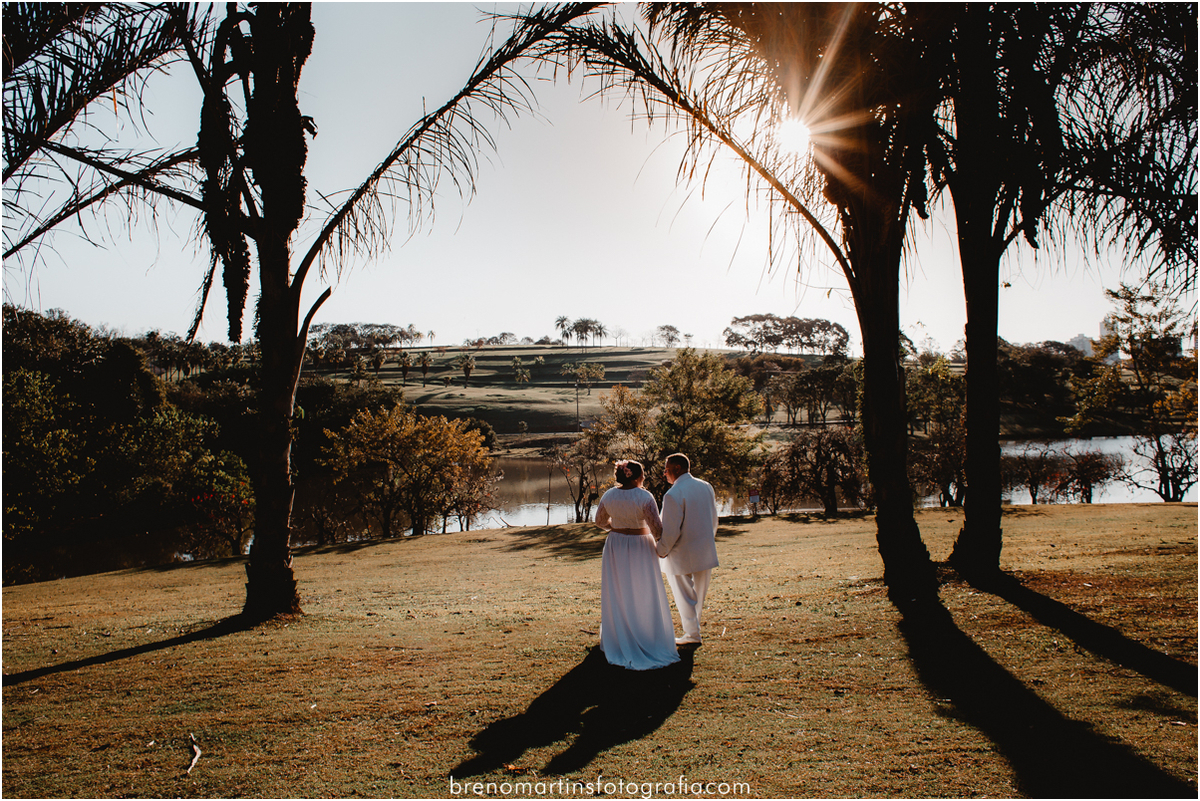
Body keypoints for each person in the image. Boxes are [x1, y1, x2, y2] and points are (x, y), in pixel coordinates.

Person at [594, 460, 680, 670]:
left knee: (618, 589)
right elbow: (657, 529)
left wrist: (616, 527)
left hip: (615, 544)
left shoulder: (608, 495)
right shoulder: (644, 497)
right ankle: (645, 632)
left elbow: (599, 521)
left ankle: (618, 635)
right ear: (637, 476)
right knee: (643, 589)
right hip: (640, 545)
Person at [656, 453, 719, 646]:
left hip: (681, 552)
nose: (664, 474)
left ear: (677, 469)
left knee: (684, 596)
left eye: (666, 469)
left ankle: (692, 634)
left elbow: (671, 530)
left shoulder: (673, 494)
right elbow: (714, 518)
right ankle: (693, 631)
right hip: (704, 549)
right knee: (698, 595)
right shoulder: (706, 486)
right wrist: (709, 539)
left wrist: (661, 550)